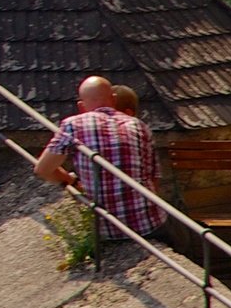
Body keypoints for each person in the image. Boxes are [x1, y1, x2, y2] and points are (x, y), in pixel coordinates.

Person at [36, 76, 164, 238]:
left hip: (105, 229)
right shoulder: (139, 125)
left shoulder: (72, 125)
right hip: (147, 223)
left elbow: (42, 169)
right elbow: (153, 178)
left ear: (81, 107)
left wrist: (71, 181)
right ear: (113, 99)